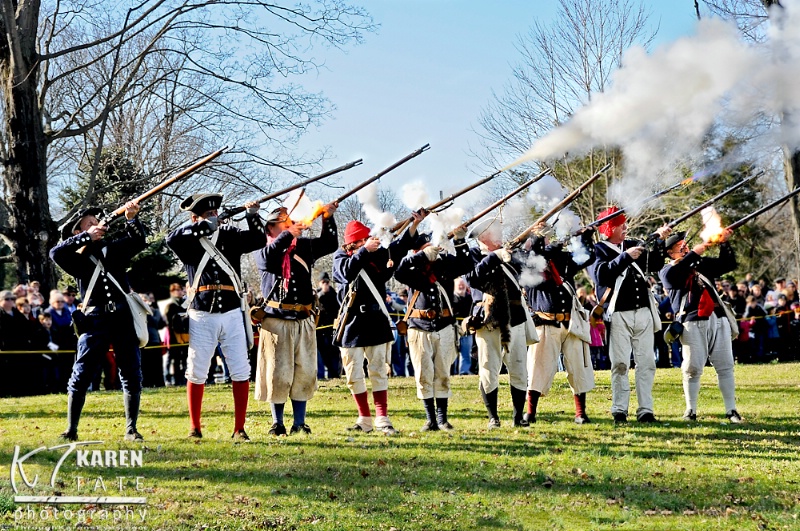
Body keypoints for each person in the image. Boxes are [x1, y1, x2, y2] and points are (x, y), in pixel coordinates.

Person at [166, 193, 265, 440]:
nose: (214, 216)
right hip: (201, 310)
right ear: (195, 217)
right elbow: (171, 239)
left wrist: (253, 215)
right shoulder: (188, 240)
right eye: (208, 214)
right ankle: (194, 427)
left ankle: (239, 428)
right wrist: (200, 227)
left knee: (241, 369)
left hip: (232, 309)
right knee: (197, 369)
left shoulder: (230, 235)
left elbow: (258, 238)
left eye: (214, 213)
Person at [49, 202, 147, 441]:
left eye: (96, 223)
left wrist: (131, 218)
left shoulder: (114, 250)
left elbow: (138, 241)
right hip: (94, 320)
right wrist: (85, 237)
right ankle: (71, 429)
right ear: (78, 232)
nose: (96, 226)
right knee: (82, 373)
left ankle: (131, 428)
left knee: (131, 372)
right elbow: (55, 253)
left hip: (122, 318)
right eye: (89, 224)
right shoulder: (75, 257)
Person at [332, 211, 426, 435]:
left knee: (378, 371)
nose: (368, 243)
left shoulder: (376, 255)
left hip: (375, 319)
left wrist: (414, 223)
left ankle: (382, 418)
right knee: (354, 374)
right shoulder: (342, 257)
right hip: (351, 322)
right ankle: (364, 418)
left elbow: (400, 246)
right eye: (362, 240)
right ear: (353, 243)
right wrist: (364, 251)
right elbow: (346, 272)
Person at [253, 202, 338, 436]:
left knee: (304, 372)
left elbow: (330, 243)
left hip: (303, 318)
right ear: (270, 229)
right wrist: (288, 235)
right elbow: (270, 258)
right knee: (277, 373)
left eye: (289, 222)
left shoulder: (303, 247)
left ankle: (300, 422)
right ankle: (277, 422)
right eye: (283, 224)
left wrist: (327, 217)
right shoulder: (265, 249)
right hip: (276, 319)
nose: (289, 225)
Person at [588, 206, 671, 424]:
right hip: (617, 314)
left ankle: (645, 410)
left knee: (646, 363)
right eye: (619, 225)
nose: (625, 227)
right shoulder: (598, 250)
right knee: (620, 364)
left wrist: (661, 240)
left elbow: (654, 263)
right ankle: (619, 410)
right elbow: (601, 276)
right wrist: (624, 258)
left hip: (643, 311)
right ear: (610, 229)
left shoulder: (633, 244)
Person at [659, 229, 743, 423]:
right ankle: (691, 410)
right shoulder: (668, 271)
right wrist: (694, 253)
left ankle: (731, 410)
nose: (686, 248)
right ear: (670, 253)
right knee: (692, 368)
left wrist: (724, 242)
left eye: (686, 246)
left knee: (725, 366)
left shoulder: (699, 264)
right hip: (692, 321)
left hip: (717, 317)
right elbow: (674, 277)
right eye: (680, 247)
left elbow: (728, 264)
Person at [394, 227, 472, 431]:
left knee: (443, 373)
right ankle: (430, 419)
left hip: (444, 325)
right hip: (419, 326)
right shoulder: (413, 266)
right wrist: (421, 256)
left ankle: (442, 418)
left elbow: (467, 264)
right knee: (423, 373)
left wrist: (461, 240)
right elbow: (399, 272)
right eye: (426, 247)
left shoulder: (445, 262)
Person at [525, 226, 597, 425]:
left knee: (578, 369)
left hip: (570, 321)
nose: (548, 241)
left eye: (548, 238)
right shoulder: (528, 261)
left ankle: (580, 413)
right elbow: (539, 256)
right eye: (543, 238)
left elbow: (587, 258)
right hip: (546, 322)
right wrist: (553, 241)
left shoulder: (561, 259)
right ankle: (530, 412)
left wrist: (585, 237)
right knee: (538, 368)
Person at [464, 217, 531, 429]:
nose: (501, 234)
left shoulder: (511, 253)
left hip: (515, 316)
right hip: (488, 319)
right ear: (484, 236)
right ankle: (493, 416)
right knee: (488, 369)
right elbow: (473, 278)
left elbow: (531, 266)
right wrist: (494, 257)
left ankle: (518, 416)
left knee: (519, 368)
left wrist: (534, 237)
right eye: (496, 231)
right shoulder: (474, 255)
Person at [316, 272, 341, 379]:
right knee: (323, 353)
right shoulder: (316, 295)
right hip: (320, 330)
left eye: (327, 282)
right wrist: (322, 294)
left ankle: (334, 374)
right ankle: (322, 375)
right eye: (323, 282)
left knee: (334, 353)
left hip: (332, 329)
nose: (326, 284)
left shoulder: (334, 294)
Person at [164, 283, 190, 386]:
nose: (179, 292)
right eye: (177, 290)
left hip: (185, 336)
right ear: (172, 292)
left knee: (184, 359)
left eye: (180, 290)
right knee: (175, 359)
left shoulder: (184, 305)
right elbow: (170, 322)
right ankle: (175, 379)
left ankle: (183, 379)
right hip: (174, 337)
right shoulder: (170, 306)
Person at [452, 277, 474, 375]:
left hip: (466, 330)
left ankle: (463, 372)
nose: (461, 286)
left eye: (462, 285)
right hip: (453, 329)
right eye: (459, 285)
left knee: (466, 353)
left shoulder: (470, 298)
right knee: (451, 352)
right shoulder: (451, 298)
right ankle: (451, 372)